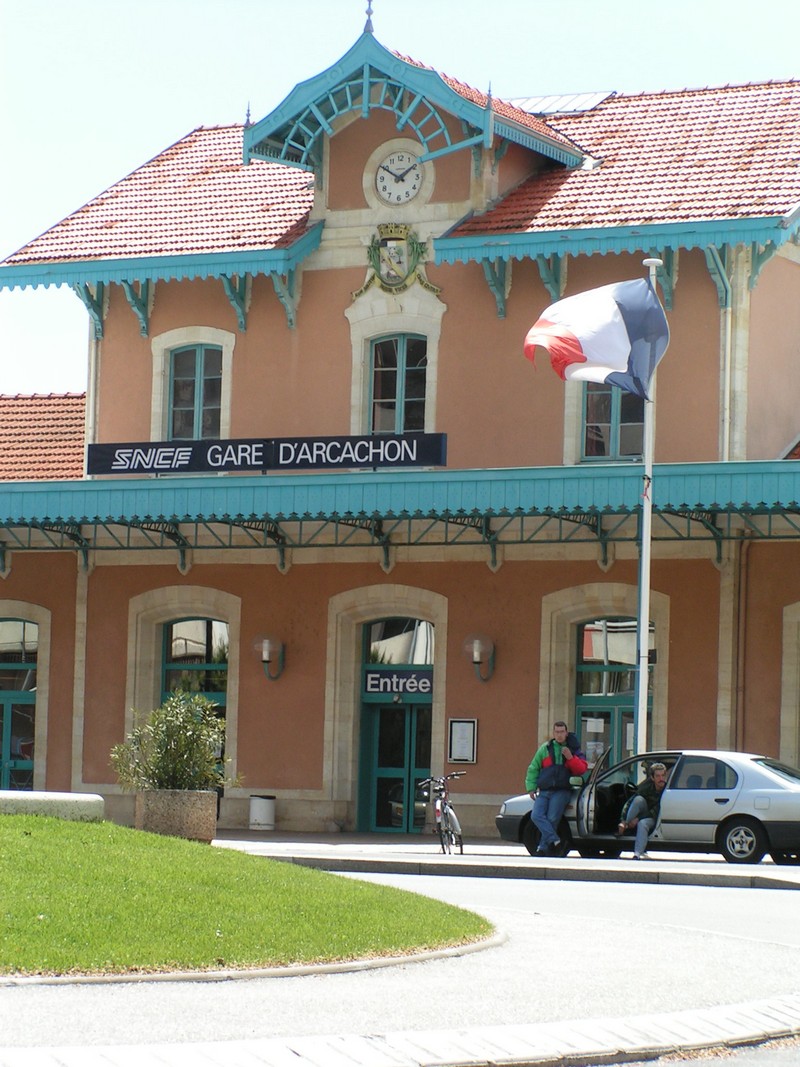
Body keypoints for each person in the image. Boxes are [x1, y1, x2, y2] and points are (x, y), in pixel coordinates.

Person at [525, 721, 588, 855]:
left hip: (562, 791)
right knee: (536, 816)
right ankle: (554, 839)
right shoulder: (545, 748)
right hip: (544, 790)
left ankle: (542, 848)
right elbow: (533, 768)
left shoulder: (574, 749)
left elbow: (581, 769)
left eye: (562, 732)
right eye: (557, 732)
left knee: (553, 818)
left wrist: (570, 758)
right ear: (553, 733)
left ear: (566, 733)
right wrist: (531, 787)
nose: (559, 735)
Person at [617, 762, 668, 859]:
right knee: (638, 799)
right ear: (652, 778)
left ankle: (637, 854)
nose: (661, 779)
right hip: (645, 814)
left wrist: (638, 819)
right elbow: (630, 802)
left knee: (643, 823)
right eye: (657, 776)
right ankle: (626, 825)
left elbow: (656, 810)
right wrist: (623, 820)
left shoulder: (666, 790)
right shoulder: (647, 787)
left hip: (656, 818)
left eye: (663, 775)